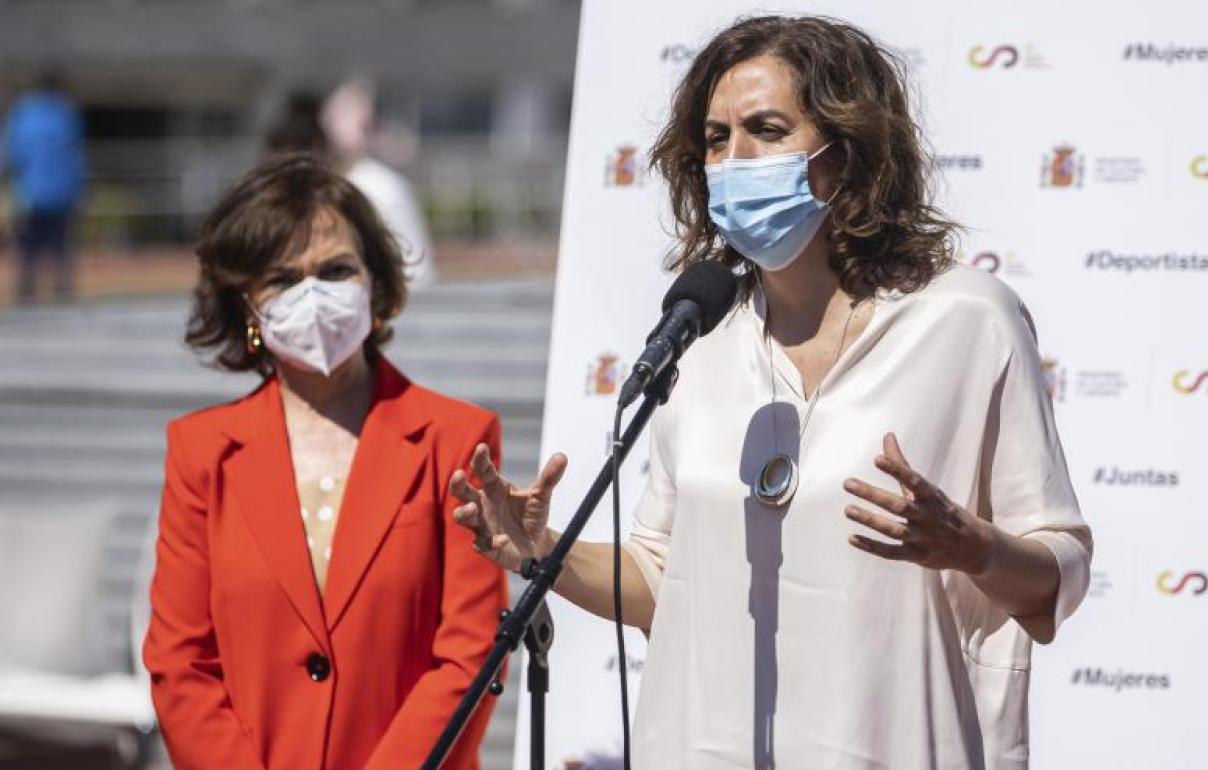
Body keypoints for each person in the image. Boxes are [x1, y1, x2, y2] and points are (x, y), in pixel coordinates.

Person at [451, 16, 1092, 770]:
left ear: (846, 155)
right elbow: (664, 577)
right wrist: (543, 550)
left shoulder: (966, 318)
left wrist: (973, 545)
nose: (734, 160)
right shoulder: (699, 342)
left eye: (766, 129)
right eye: (717, 139)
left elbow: (1058, 571)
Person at [143, 153, 506, 770]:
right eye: (282, 279)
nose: (312, 294)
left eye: (336, 270)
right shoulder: (202, 452)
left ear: (377, 287)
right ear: (247, 308)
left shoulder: (458, 439)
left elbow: (469, 654)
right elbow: (181, 663)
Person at [322, 78, 436, 292]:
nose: (331, 126)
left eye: (342, 117)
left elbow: (417, 267)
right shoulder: (338, 183)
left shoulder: (384, 187)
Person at [2, 71, 86, 302]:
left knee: (27, 246)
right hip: (61, 192)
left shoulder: (22, 113)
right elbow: (76, 157)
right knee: (60, 246)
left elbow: (10, 154)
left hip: (28, 193)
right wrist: (80, 192)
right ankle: (63, 292)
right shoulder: (66, 114)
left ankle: (25, 292)